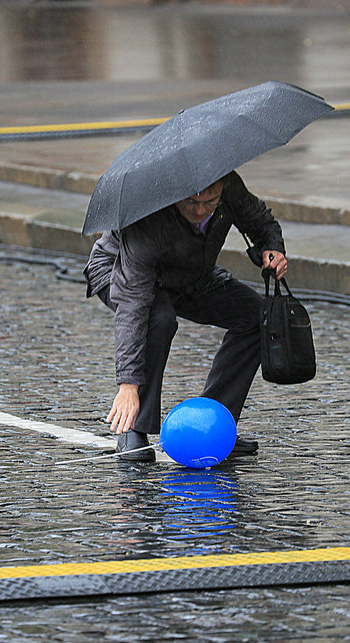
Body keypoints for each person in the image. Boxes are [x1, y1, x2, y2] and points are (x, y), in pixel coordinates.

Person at [84, 172, 288, 462]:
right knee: (160, 317)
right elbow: (133, 304)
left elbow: (260, 221)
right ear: (176, 195)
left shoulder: (228, 185)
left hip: (191, 276)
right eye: (192, 202)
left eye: (210, 202)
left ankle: (211, 425)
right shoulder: (148, 215)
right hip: (120, 272)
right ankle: (133, 427)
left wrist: (272, 248)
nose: (201, 210)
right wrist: (128, 385)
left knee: (256, 315)